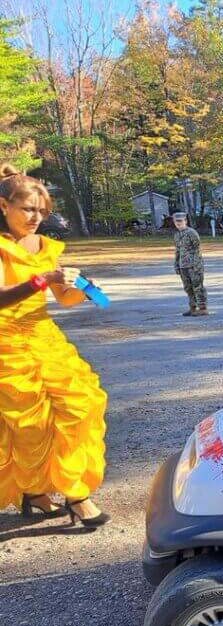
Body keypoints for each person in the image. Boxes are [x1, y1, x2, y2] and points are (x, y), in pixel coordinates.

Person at [0, 165, 110, 526]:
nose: (35, 218)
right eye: (27, 209)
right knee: (29, 426)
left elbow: (63, 298)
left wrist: (80, 284)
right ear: (4, 206)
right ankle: (36, 492)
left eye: (40, 211)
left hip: (44, 338)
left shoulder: (47, 246)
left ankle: (75, 489)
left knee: (84, 403)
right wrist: (40, 279)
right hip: (7, 344)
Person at [173, 212, 207, 316]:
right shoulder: (177, 235)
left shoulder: (192, 233)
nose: (179, 223)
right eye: (176, 222)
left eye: (181, 221)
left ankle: (202, 308)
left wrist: (197, 265)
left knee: (197, 286)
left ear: (185, 221)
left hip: (193, 265)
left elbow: (197, 250)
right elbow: (178, 251)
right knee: (188, 287)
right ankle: (192, 307)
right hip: (183, 265)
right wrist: (176, 265)